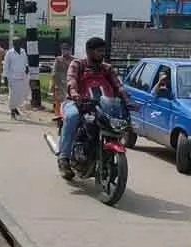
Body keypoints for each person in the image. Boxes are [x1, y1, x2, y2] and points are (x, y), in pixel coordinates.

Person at [57, 37, 131, 175]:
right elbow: (71, 80)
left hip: (100, 106)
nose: (102, 54)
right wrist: (74, 93)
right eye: (99, 51)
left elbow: (118, 86)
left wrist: (127, 100)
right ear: (89, 51)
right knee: (72, 116)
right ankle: (64, 158)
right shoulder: (77, 64)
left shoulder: (107, 68)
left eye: (103, 51)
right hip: (76, 102)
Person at [3, 38, 29, 119]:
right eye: (15, 43)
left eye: (18, 42)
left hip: (22, 77)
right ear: (13, 44)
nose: (16, 44)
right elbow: (6, 66)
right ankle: (12, 111)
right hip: (12, 78)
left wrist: (27, 67)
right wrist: (5, 77)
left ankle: (15, 107)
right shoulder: (9, 53)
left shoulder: (23, 51)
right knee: (12, 95)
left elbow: (26, 61)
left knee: (20, 96)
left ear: (20, 43)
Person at [50, 44, 73, 118]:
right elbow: (54, 72)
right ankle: (58, 116)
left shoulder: (73, 60)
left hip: (69, 83)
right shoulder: (58, 59)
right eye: (63, 49)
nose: (64, 51)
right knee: (58, 100)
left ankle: (65, 115)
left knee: (68, 100)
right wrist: (54, 84)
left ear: (70, 50)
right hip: (59, 83)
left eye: (66, 49)